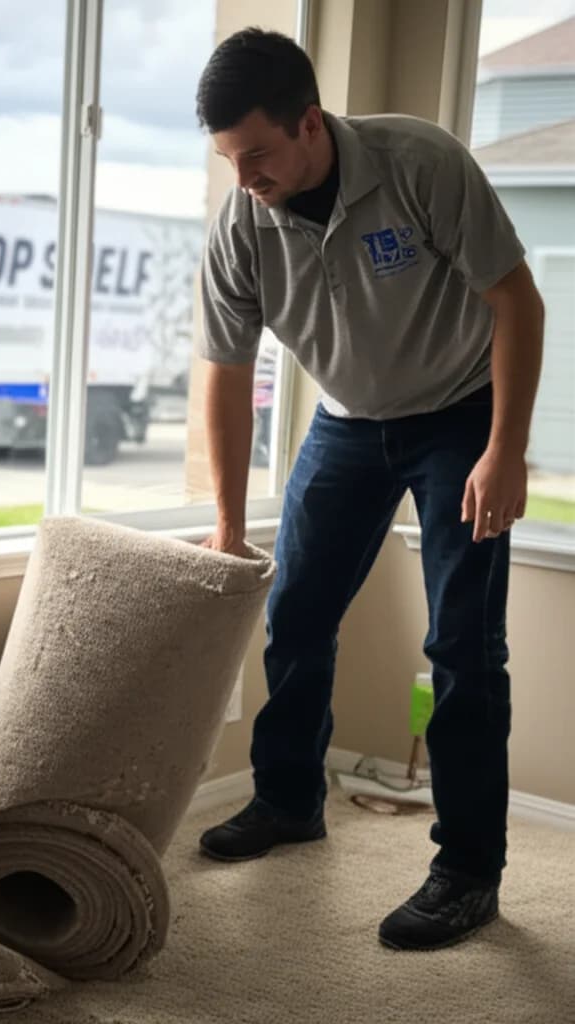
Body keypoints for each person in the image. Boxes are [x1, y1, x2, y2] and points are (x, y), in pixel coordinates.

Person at [195, 28, 544, 952]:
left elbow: (518, 300)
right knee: (297, 615)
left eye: (258, 154)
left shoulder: (418, 163)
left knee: (463, 643)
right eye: (230, 161)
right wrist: (229, 524)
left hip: (461, 415)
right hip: (347, 421)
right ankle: (286, 801)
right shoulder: (243, 221)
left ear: (310, 122)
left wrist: (506, 450)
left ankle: (468, 869)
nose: (245, 180)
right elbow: (226, 372)